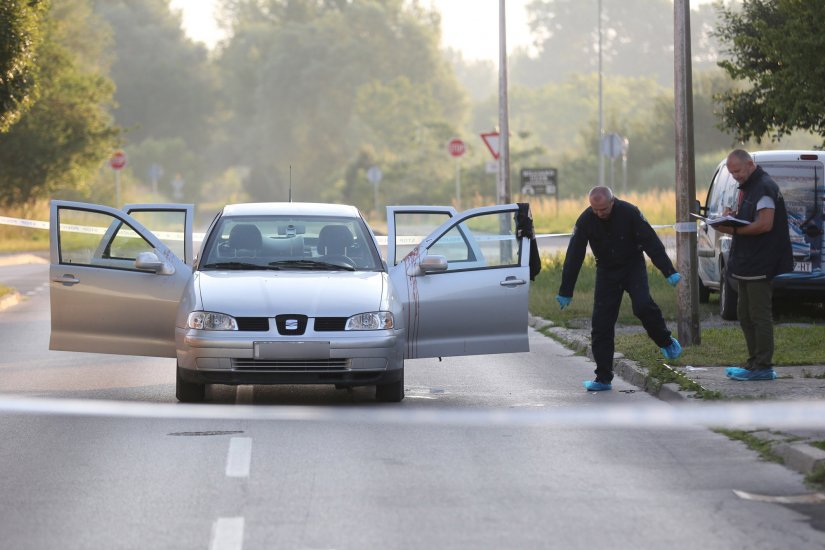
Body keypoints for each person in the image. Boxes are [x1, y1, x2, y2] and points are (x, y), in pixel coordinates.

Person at [556, 186, 682, 391]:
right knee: (601, 324)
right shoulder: (586, 220)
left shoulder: (629, 212)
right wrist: (566, 289)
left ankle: (665, 341)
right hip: (606, 271)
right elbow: (574, 254)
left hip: (633, 267)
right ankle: (603, 377)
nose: (599, 213)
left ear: (612, 201)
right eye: (595, 210)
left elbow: (651, 241)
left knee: (642, 306)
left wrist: (668, 270)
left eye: (603, 209)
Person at [715, 149, 793, 381]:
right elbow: (749, 217)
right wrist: (731, 216)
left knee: (759, 315)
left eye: (737, 171)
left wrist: (732, 228)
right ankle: (753, 363)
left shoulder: (764, 187)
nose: (735, 176)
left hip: (761, 261)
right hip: (746, 261)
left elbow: (765, 224)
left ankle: (763, 366)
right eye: (731, 173)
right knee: (744, 315)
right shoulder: (748, 187)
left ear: (750, 164)